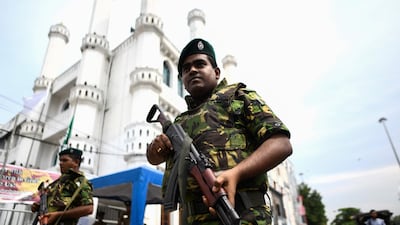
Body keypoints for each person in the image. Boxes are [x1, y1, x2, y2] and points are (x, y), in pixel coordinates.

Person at [146, 38, 293, 225]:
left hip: (243, 215)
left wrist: (236, 173)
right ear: (183, 81)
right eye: (186, 69)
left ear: (216, 72)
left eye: (200, 64)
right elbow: (155, 159)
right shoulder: (179, 122)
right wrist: (156, 149)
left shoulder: (237, 97)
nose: (192, 70)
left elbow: (281, 144)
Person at [31, 148, 94, 225]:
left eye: (65, 160)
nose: (60, 163)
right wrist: (37, 206)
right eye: (60, 160)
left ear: (76, 162)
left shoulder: (81, 182)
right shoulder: (56, 183)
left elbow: (88, 209)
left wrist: (58, 215)